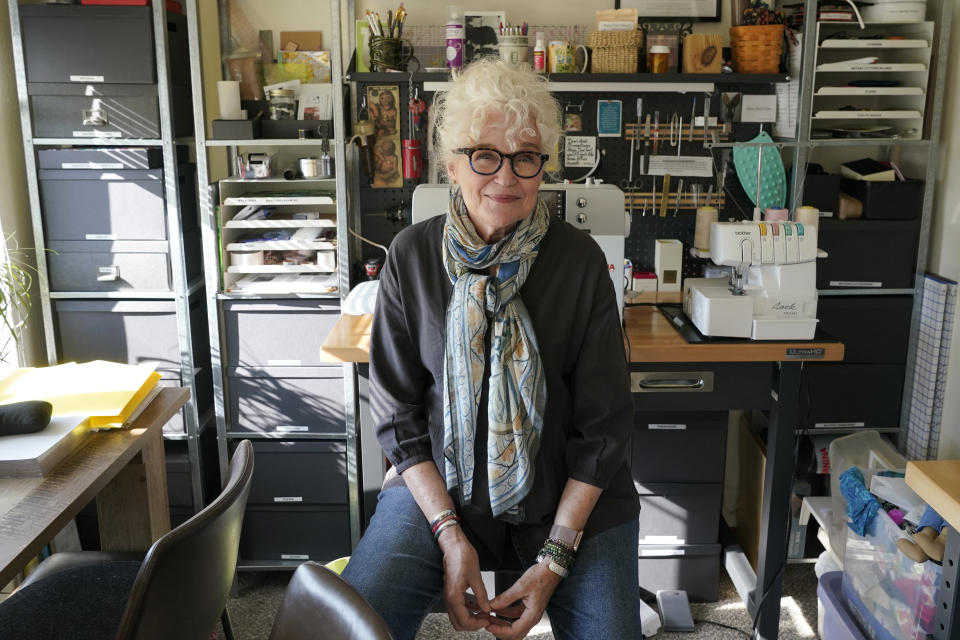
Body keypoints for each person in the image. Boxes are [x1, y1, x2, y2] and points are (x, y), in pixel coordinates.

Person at [342, 58, 640, 640]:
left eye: (525, 156)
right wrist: (449, 533)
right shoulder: (411, 256)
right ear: (452, 165)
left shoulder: (580, 263)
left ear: (541, 166)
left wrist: (554, 559)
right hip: (442, 488)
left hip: (566, 496)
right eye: (485, 155)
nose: (505, 176)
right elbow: (398, 414)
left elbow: (604, 428)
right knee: (349, 625)